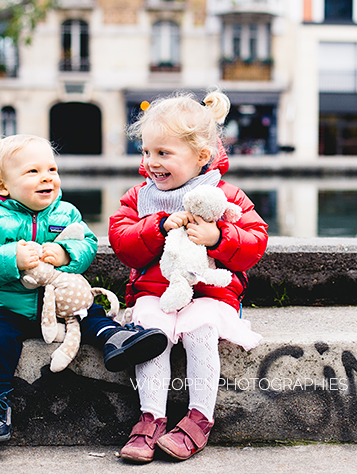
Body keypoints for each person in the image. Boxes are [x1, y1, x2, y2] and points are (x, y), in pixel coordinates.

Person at [0, 134, 167, 445]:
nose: (47, 178)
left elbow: (86, 244)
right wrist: (11, 257)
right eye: (33, 172)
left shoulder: (65, 212)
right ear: (3, 186)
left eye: (52, 170)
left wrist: (67, 254)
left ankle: (117, 339)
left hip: (59, 304)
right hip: (7, 305)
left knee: (90, 313)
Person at [109, 90, 268, 462]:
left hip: (210, 295)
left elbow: (255, 242)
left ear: (201, 156)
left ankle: (199, 418)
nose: (152, 162)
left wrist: (219, 237)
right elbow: (122, 242)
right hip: (153, 293)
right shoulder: (139, 197)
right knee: (152, 336)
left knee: (200, 333)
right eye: (147, 152)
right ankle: (151, 417)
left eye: (164, 153)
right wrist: (158, 226)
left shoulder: (225, 196)